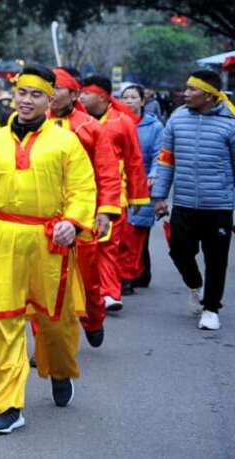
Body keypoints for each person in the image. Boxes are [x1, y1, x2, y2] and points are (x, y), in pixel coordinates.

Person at [0, 65, 96, 435]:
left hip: (49, 240)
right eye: (22, 93)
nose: (27, 100)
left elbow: (84, 190)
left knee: (56, 322)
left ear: (50, 100)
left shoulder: (66, 142)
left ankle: (60, 370)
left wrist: (73, 221)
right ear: (14, 95)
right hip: (3, 236)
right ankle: (9, 404)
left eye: (36, 94)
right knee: (5, 323)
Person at [151, 70, 235, 331]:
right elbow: (165, 160)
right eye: (185, 88)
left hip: (219, 205)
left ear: (209, 95)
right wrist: (159, 197)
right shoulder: (177, 120)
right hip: (184, 203)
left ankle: (211, 308)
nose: (185, 93)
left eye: (192, 89)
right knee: (178, 250)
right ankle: (194, 283)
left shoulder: (230, 124)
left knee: (216, 259)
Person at [48, 68, 123, 347]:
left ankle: (93, 318)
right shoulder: (33, 124)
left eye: (57, 88)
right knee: (46, 284)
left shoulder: (91, 127)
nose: (51, 93)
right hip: (43, 216)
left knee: (88, 280)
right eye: (48, 87)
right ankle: (49, 342)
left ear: (73, 94)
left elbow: (107, 173)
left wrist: (105, 211)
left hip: (82, 214)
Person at [80, 75, 150, 307]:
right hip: (80, 190)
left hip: (113, 192)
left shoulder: (123, 121)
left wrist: (137, 195)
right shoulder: (77, 119)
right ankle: (86, 291)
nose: (81, 97)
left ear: (101, 96)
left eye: (85, 93)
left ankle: (110, 292)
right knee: (84, 244)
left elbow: (134, 160)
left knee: (109, 244)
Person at [120, 83, 164, 289]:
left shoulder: (154, 127)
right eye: (125, 97)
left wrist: (154, 174)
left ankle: (130, 275)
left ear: (142, 101)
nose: (128, 101)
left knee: (136, 231)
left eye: (133, 97)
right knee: (122, 231)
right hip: (119, 183)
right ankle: (137, 272)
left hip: (143, 184)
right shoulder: (115, 122)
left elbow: (159, 155)